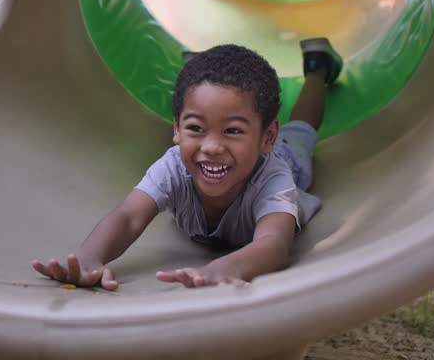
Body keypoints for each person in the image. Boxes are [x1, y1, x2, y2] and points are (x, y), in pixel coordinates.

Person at [32, 40, 342, 290]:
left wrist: (223, 268)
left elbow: (273, 243)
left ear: (266, 135)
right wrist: (89, 259)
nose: (212, 147)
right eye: (195, 127)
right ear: (177, 130)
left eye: (233, 130)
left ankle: (317, 70)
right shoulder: (174, 167)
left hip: (288, 157)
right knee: (202, 94)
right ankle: (196, 69)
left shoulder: (274, 176)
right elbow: (128, 216)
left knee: (301, 130)